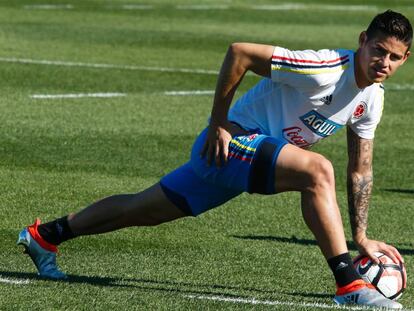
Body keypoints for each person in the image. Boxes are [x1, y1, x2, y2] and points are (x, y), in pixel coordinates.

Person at [17, 10, 411, 309]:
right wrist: (218, 122)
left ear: (405, 59)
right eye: (378, 50)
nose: (384, 62)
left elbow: (361, 169)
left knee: (141, 209)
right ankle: (348, 284)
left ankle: (46, 236)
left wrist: (361, 236)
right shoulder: (325, 68)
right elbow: (239, 52)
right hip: (232, 143)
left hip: (241, 160)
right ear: (362, 41)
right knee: (317, 170)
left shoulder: (371, 101)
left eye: (395, 57)